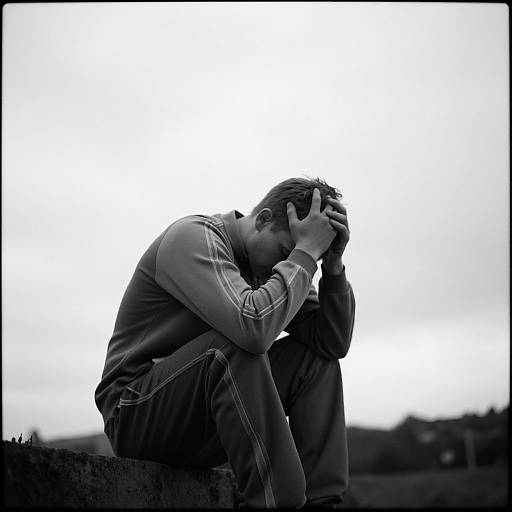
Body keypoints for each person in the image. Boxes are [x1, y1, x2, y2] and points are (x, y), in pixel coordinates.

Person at [95, 177, 355, 508]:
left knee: (314, 361)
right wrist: (303, 254)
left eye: (302, 256)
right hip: (135, 413)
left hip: (203, 427)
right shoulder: (193, 238)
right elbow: (252, 328)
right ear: (262, 220)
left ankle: (323, 504)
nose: (289, 263)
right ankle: (278, 502)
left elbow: (332, 343)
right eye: (286, 251)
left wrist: (331, 266)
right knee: (234, 345)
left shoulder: (271, 268)